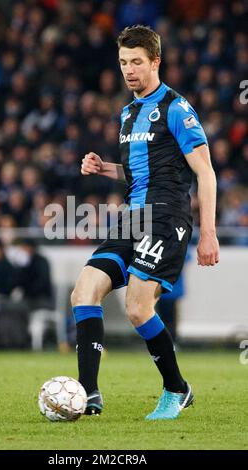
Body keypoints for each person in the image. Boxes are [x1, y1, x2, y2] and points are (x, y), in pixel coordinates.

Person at [71, 25, 220, 420]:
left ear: (156, 61)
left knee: (137, 307)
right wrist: (106, 169)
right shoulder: (127, 112)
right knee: (84, 290)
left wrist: (208, 233)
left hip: (166, 217)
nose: (129, 70)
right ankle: (87, 395)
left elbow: (205, 173)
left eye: (136, 62)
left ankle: (177, 388)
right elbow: (144, 171)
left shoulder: (176, 108)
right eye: (123, 63)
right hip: (131, 217)